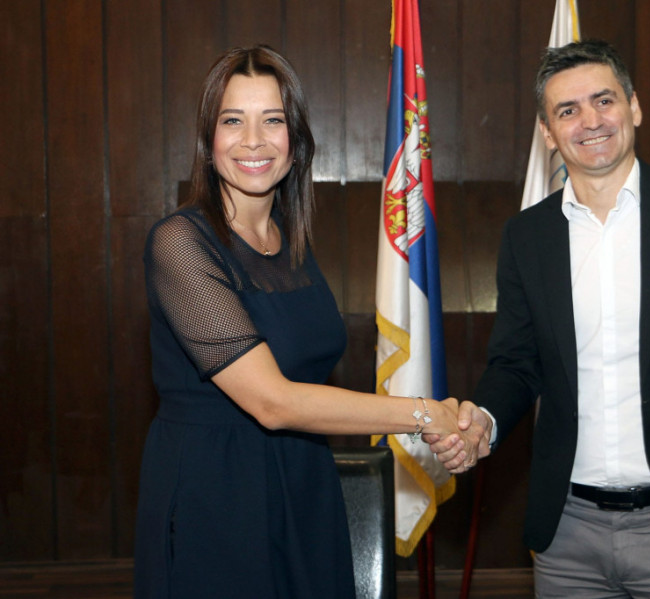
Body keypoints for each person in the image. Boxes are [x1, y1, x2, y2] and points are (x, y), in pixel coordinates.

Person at [427, 39, 650, 598]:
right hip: (568, 537)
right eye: (568, 110)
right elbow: (516, 363)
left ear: (633, 107)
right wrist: (485, 422)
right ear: (548, 132)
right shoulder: (527, 237)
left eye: (604, 100)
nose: (590, 121)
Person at [134, 45, 471, 599]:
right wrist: (425, 414)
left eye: (273, 120)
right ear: (207, 141)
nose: (253, 140)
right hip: (216, 496)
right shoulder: (180, 243)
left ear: (296, 141)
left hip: (306, 481)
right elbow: (273, 401)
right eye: (232, 121)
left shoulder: (288, 240)